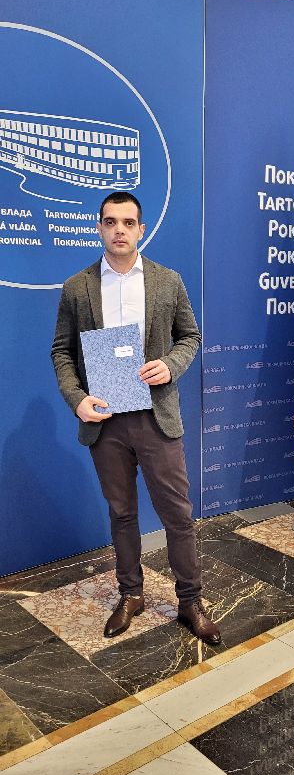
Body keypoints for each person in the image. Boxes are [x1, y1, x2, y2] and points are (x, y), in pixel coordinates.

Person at [51, 191, 221, 645]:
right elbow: (62, 352)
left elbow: (190, 336)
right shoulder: (77, 287)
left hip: (155, 416)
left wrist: (171, 365)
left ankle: (190, 601)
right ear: (99, 228)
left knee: (177, 514)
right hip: (105, 420)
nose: (119, 230)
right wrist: (76, 398)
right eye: (111, 222)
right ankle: (131, 594)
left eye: (128, 223)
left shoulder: (168, 281)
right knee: (122, 513)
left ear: (141, 229)